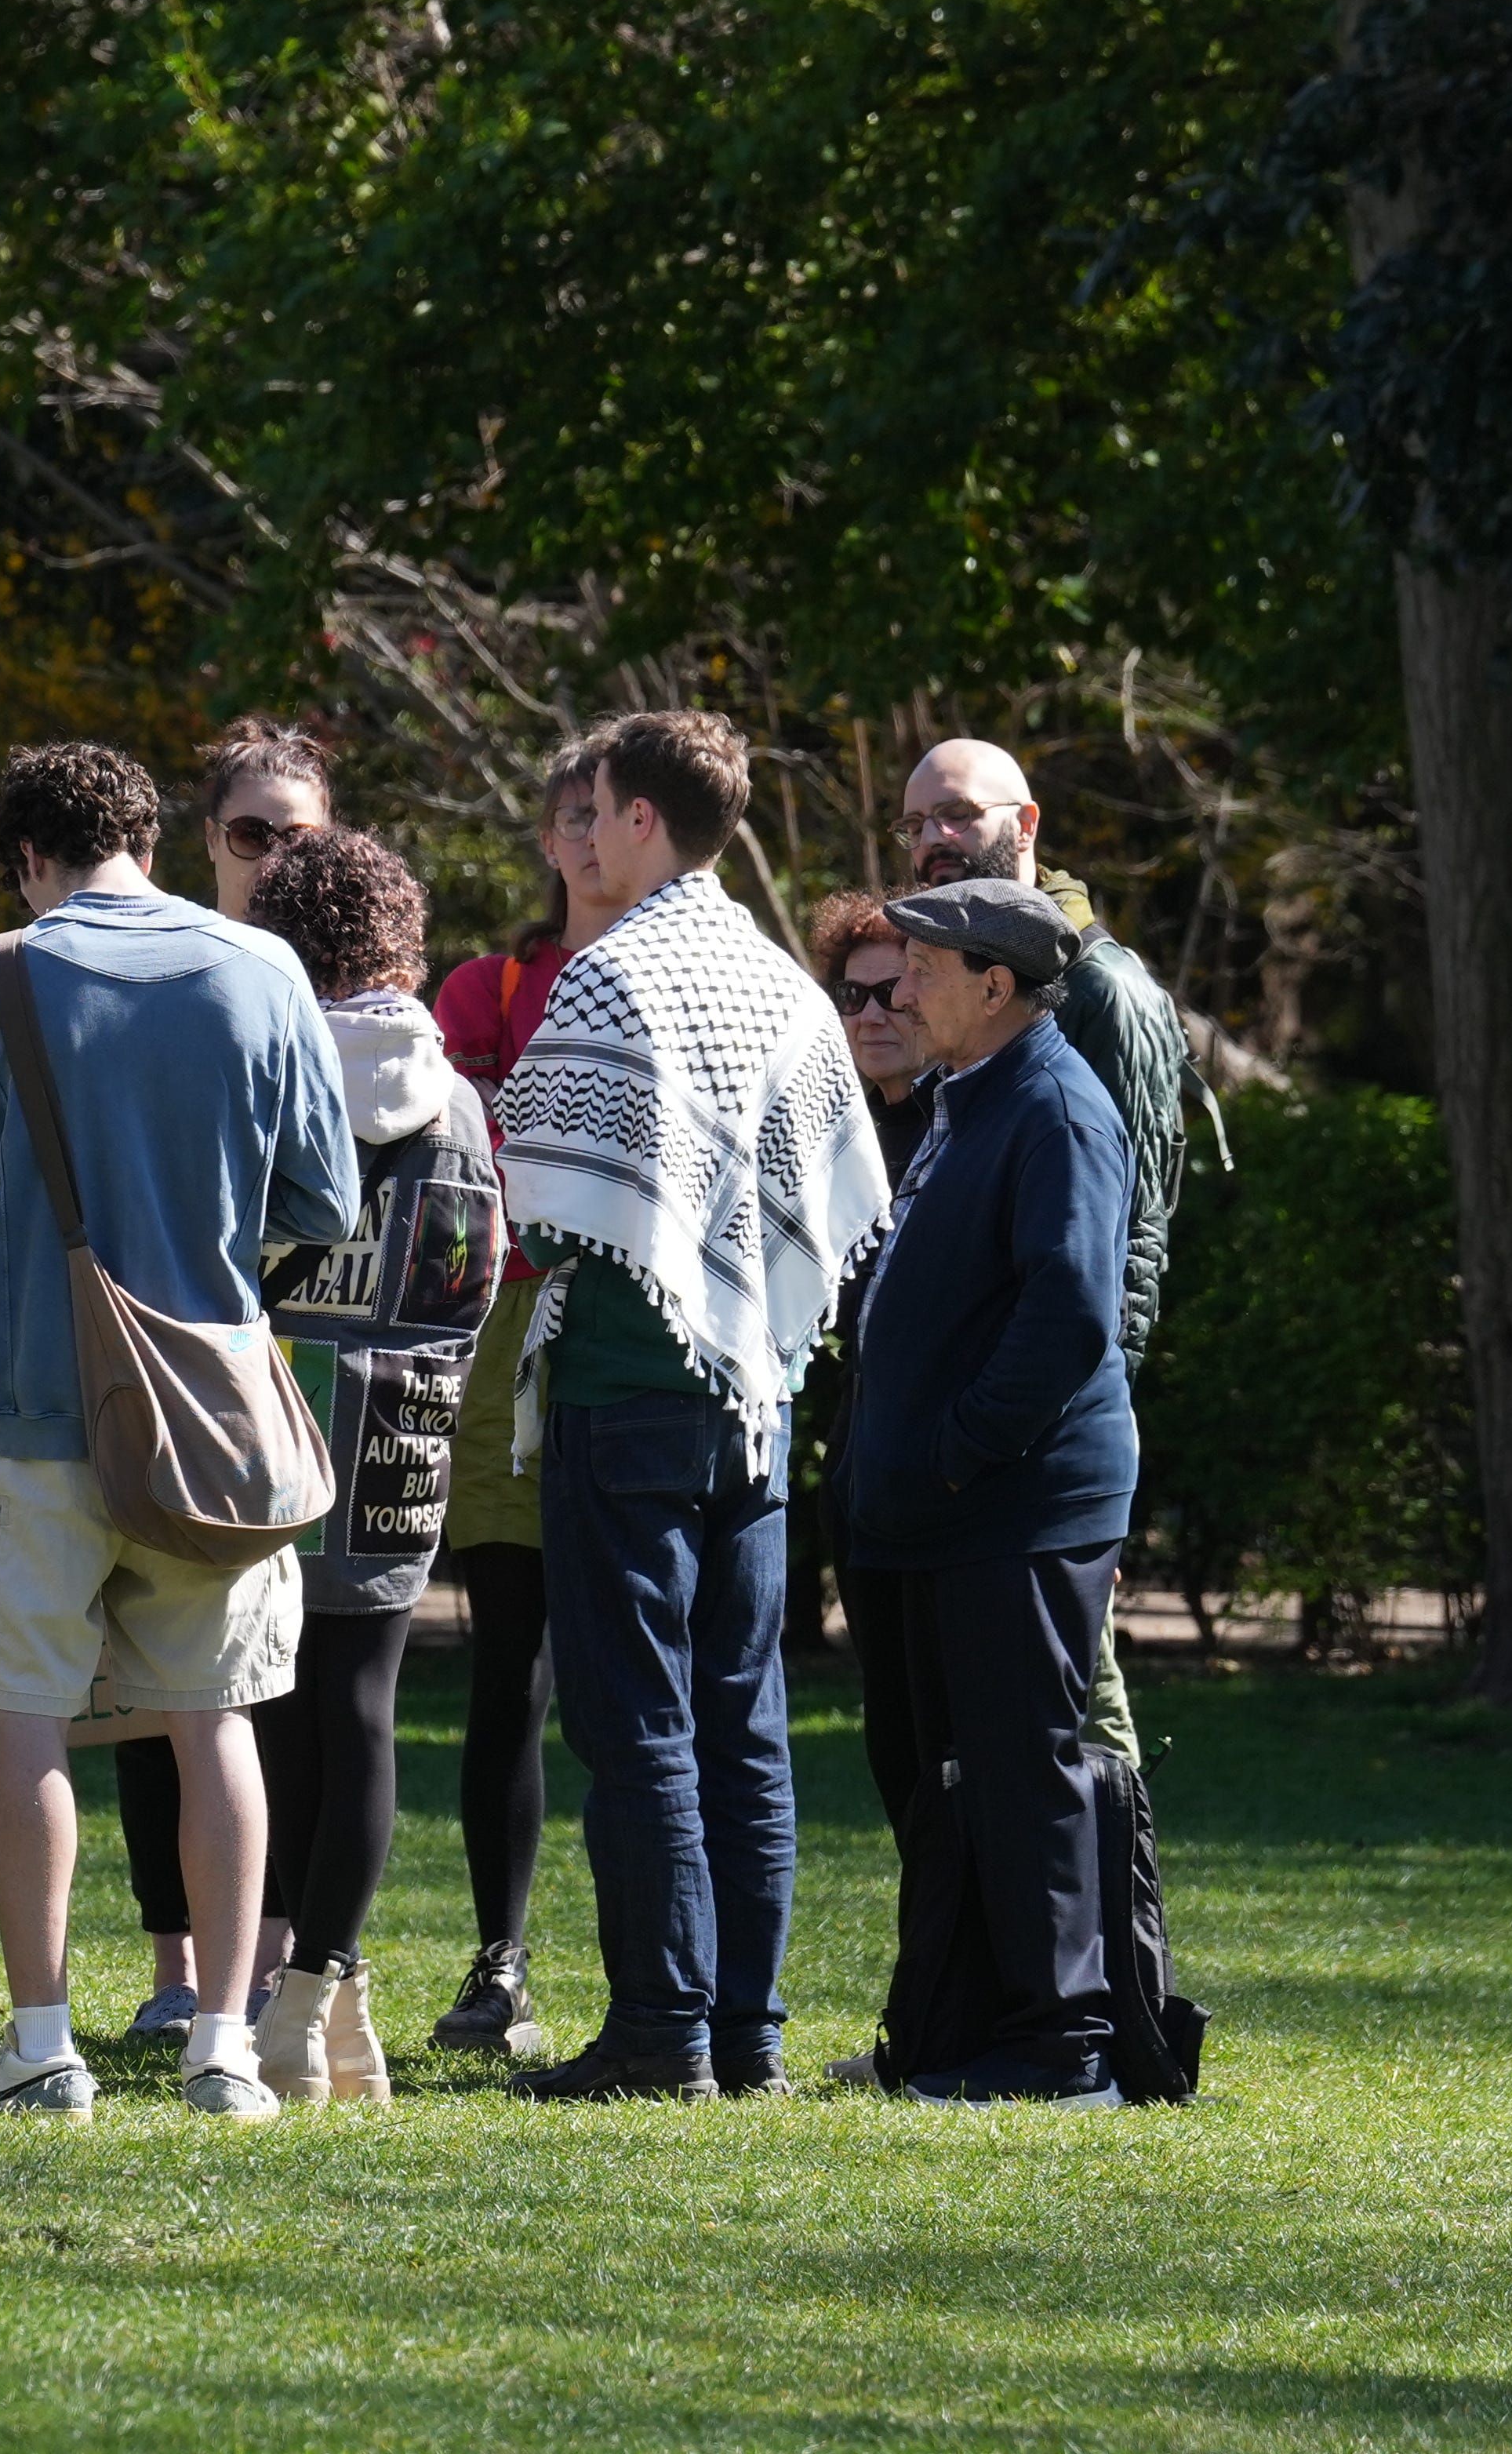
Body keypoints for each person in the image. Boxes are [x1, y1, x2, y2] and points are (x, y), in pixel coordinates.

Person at [0, 741, 359, 2123]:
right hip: (213, 1413)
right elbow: (324, 1197)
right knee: (214, 1716)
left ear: (29, 857)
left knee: (28, 1713)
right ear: (150, 843)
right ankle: (222, 2043)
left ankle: (42, 2042)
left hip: (25, 1396)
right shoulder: (261, 969)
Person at [491, 710, 888, 2101]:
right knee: (745, 1718)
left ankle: (662, 2029)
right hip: (758, 1398)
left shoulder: (614, 975)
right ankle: (748, 2033)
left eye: (594, 809)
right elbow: (830, 1191)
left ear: (646, 818)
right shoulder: (783, 981)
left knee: (636, 1720)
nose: (581, 834)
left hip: (625, 1386)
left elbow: (534, 1188)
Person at [850, 878, 1139, 2105]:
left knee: (1022, 1778)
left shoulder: (1056, 1107)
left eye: (923, 965)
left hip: (1017, 1508)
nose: (900, 985)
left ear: (997, 987)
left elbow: (1070, 1311)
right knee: (944, 1778)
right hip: (939, 1513)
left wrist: (961, 1445)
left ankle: (1063, 2047)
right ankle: (958, 2030)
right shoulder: (977, 1098)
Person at [239, 826, 497, 2105]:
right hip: (401, 1433)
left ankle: (300, 1993)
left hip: (266, 1431)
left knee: (272, 1709)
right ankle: (327, 2000)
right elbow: (479, 1279)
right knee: (364, 1709)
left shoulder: (264, 1080)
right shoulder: (457, 1099)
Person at [100, 717, 343, 2044]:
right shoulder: (182, 965)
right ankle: (175, 1960)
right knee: (160, 1670)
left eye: (296, 832)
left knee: (283, 1678)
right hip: (167, 1363)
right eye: (249, 833)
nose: (271, 857)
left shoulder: (337, 979)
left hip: (300, 1370)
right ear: (206, 841)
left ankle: (281, 1951)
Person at [891, 738, 1190, 1772]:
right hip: (973, 1452)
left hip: (1043, 1463)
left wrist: (1069, 1471)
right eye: (916, 821)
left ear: (1025, 827)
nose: (934, 840)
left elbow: (1128, 1249)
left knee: (1076, 1749)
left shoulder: (1097, 987)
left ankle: (1118, 1937)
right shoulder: (950, 975)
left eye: (959, 816)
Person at [426, 731, 602, 2057]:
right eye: (572, 815)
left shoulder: (700, 983)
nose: (592, 840)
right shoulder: (487, 990)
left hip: (647, 1346)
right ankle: (502, 1960)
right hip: (507, 1347)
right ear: (546, 835)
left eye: (615, 813)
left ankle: (690, 1973)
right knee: (512, 1669)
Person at [802, 887, 959, 2090]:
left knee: (968, 1759)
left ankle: (966, 2011)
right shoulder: (824, 1128)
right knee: (899, 1751)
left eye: (894, 987)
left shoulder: (969, 1124)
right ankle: (932, 2007)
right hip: (863, 1479)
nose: (874, 1012)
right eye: (850, 993)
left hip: (961, 1489)